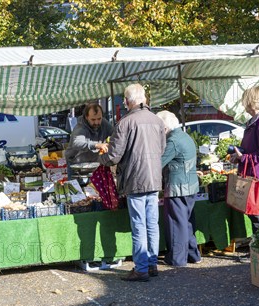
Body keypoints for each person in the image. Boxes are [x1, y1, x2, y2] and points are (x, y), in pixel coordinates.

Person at [99, 84, 167, 282]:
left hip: (135, 178)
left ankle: (141, 268)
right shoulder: (156, 120)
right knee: (152, 223)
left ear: (127, 102)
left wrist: (101, 159)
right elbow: (161, 149)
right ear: (144, 99)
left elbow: (114, 156)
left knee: (139, 225)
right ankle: (152, 263)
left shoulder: (125, 122)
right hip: (154, 178)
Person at [157, 110, 202, 267]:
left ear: (164, 127)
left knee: (176, 223)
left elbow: (158, 163)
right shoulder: (184, 136)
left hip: (178, 186)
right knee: (187, 222)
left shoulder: (173, 141)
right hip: (190, 185)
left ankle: (177, 259)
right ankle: (192, 255)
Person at [230, 85, 259, 229]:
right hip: (253, 173)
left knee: (257, 216)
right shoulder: (257, 120)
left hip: (258, 176)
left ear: (251, 101)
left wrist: (243, 157)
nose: (243, 104)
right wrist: (239, 154)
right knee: (254, 214)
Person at [65, 103, 114, 179]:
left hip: (93, 164)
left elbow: (115, 134)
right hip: (77, 165)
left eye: (99, 119)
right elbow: (77, 143)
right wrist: (97, 145)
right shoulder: (80, 127)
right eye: (93, 119)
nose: (97, 122)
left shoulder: (104, 123)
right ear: (86, 117)